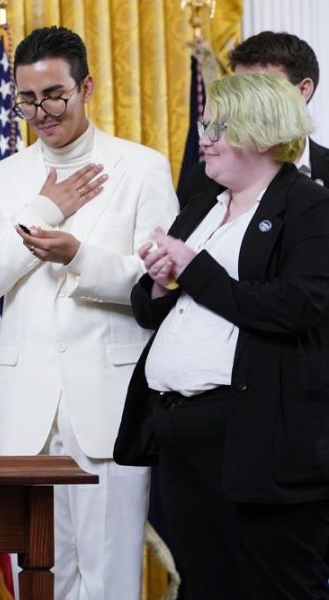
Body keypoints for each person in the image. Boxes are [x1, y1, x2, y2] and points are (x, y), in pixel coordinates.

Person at [0, 26, 178, 600]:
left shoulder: (142, 167)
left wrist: (79, 257)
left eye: (54, 95)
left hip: (109, 403)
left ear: (87, 87)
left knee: (109, 578)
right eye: (27, 99)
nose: (40, 112)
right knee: (38, 576)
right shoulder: (0, 180)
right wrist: (44, 208)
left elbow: (160, 278)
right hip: (22, 410)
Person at [114, 73, 329, 599]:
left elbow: (298, 306)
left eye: (218, 126)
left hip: (255, 434)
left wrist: (194, 268)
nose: (203, 136)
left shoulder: (308, 205)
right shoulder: (204, 202)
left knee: (272, 584)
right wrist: (163, 280)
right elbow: (151, 305)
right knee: (204, 583)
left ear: (259, 132)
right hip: (178, 427)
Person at [178, 30, 327, 206]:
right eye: (237, 90)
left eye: (258, 89)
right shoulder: (202, 178)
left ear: (303, 90)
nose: (243, 101)